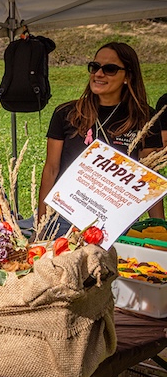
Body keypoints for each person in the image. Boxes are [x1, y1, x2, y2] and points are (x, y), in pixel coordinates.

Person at [37, 42, 164, 236]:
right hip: (65, 217)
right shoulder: (66, 113)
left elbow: (149, 180)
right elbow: (51, 169)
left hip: (117, 221)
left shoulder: (146, 119)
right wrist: (41, 225)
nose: (98, 74)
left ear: (128, 76)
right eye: (94, 67)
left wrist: (160, 228)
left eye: (110, 69)